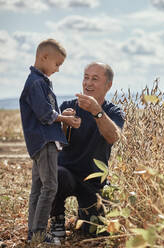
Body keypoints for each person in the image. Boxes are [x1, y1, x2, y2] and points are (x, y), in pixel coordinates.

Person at [50, 62, 124, 238]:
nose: (88, 83)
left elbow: (113, 137)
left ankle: (83, 216)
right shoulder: (68, 105)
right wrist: (64, 125)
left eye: (95, 79)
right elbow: (55, 144)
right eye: (86, 77)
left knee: (96, 232)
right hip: (65, 174)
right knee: (56, 173)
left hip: (93, 181)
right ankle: (57, 222)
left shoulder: (114, 111)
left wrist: (96, 112)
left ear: (108, 85)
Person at [19, 38, 81, 245]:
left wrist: (61, 115)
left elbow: (46, 112)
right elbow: (45, 114)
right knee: (50, 187)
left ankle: (33, 235)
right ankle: (37, 233)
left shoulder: (39, 81)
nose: (58, 69)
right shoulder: (36, 82)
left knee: (38, 188)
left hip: (40, 142)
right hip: (45, 142)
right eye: (57, 64)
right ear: (44, 57)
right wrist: (65, 119)